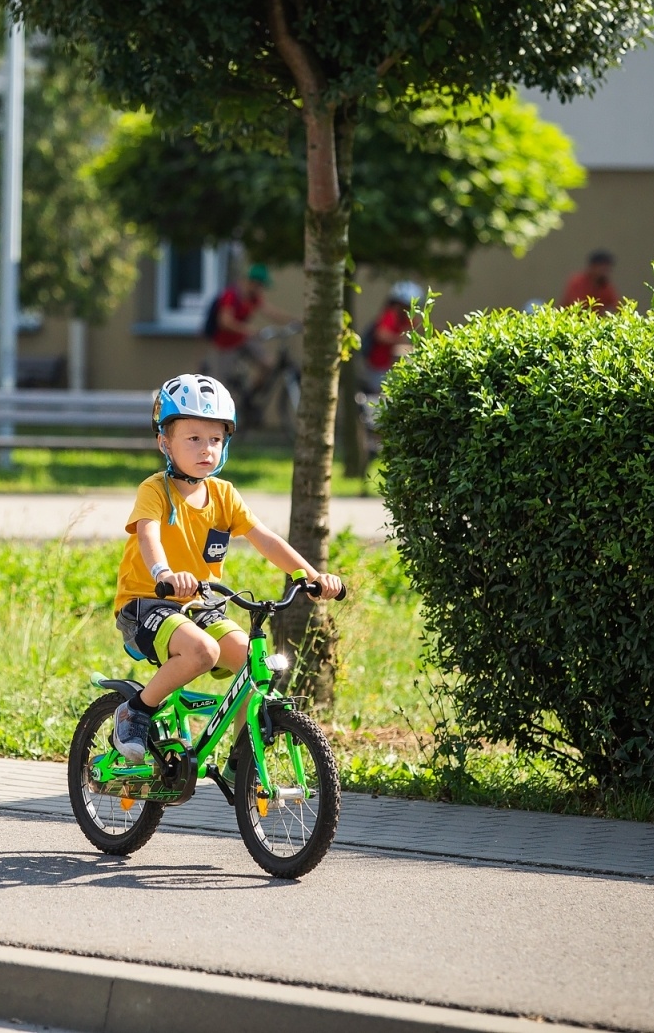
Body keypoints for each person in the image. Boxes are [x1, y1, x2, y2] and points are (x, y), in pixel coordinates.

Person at [110, 374, 343, 764]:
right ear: (164, 443)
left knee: (257, 667)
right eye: (194, 438)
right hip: (148, 603)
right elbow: (148, 535)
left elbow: (266, 539)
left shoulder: (223, 494)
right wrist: (164, 573)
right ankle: (135, 710)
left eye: (215, 439)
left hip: (200, 606)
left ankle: (243, 761)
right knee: (202, 651)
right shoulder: (155, 490)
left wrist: (311, 576)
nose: (206, 449)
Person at [203, 263, 293, 391]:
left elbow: (271, 312)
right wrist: (248, 329)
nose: (261, 290)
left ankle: (251, 395)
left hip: (243, 339)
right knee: (221, 384)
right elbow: (225, 322)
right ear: (252, 282)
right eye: (260, 285)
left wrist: (295, 320)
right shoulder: (231, 296)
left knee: (268, 364)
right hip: (226, 344)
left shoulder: (254, 298)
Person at [363, 280, 424, 391]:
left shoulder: (407, 318)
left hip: (391, 365)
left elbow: (417, 329)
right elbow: (380, 335)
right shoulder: (391, 315)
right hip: (379, 365)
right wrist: (400, 339)